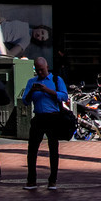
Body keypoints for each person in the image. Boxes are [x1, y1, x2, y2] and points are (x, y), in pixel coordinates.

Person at [19, 56, 69, 191]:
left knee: (53, 149)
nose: (40, 73)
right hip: (39, 117)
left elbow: (64, 96)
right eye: (38, 70)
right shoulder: (32, 82)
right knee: (32, 150)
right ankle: (31, 180)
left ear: (47, 67)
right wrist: (32, 91)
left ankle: (52, 180)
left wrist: (47, 90)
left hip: (53, 117)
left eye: (42, 70)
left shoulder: (56, 80)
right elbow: (25, 101)